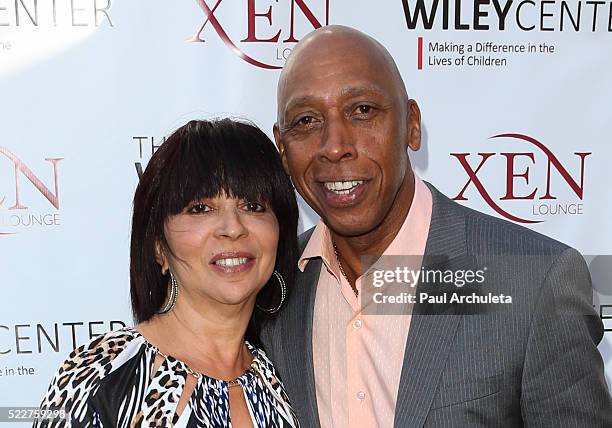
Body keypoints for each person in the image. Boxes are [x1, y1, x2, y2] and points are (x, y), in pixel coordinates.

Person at [261, 25, 612, 427]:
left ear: (412, 125)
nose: (335, 144)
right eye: (306, 120)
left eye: (363, 111)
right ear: (283, 151)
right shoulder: (272, 290)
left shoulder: (531, 283)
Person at [35, 119, 300, 427]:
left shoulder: (273, 378)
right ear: (159, 245)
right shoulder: (102, 375)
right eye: (201, 208)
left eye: (253, 206)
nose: (233, 228)